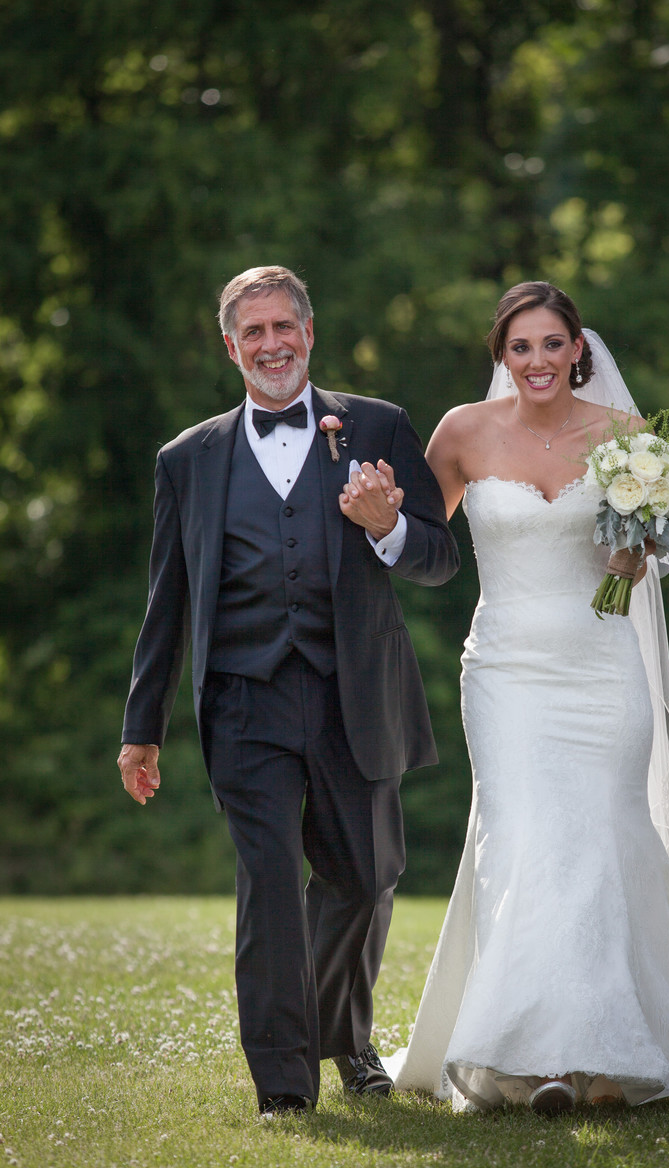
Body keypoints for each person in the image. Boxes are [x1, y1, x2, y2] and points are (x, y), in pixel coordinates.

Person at [387, 281, 669, 1113]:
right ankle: (522, 1062)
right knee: (525, 841)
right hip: (506, 672)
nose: (536, 361)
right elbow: (424, 546)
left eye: (551, 345)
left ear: (577, 352)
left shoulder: (627, 442)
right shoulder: (461, 432)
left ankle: (606, 1062)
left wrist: (640, 560)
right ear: (501, 355)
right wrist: (378, 522)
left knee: (600, 842)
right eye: (519, 347)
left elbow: (648, 551)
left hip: (602, 667)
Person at [118, 265, 459, 1117]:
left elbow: (441, 559)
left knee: (363, 878)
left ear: (309, 332)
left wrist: (387, 528)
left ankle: (342, 1036)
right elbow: (168, 599)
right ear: (230, 346)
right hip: (243, 701)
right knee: (268, 886)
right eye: (253, 332)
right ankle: (283, 1084)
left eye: (284, 328)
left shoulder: (377, 425)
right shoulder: (187, 459)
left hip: (357, 695)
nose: (271, 344)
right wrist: (142, 726)